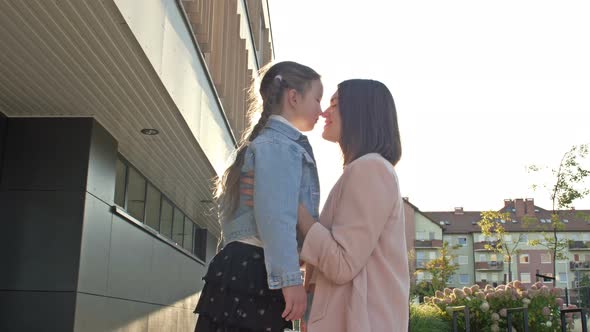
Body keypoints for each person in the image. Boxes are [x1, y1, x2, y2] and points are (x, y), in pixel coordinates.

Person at [244, 79, 409, 331]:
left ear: (360, 112)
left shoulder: (370, 169)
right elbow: (332, 254)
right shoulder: (363, 170)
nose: (324, 112)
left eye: (335, 103)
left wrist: (288, 200)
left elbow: (341, 263)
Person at [193, 61, 323, 332]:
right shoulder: (279, 146)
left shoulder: (265, 143)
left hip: (241, 269)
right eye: (317, 99)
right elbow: (276, 219)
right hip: (255, 272)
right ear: (294, 97)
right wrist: (291, 281)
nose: (321, 111)